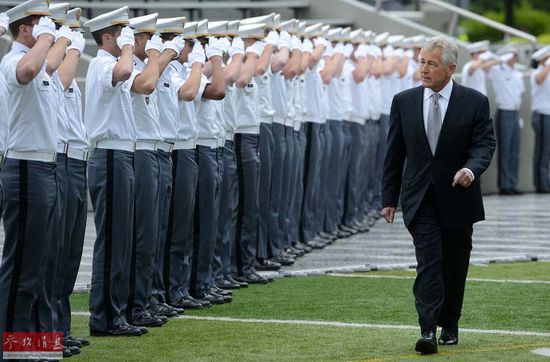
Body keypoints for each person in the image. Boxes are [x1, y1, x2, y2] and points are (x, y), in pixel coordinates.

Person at [381, 36, 496, 354]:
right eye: (421, 62)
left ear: (451, 68)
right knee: (428, 262)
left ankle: (450, 323)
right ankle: (427, 329)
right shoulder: (403, 101)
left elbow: (484, 144)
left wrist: (470, 170)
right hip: (419, 199)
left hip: (459, 198)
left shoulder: (474, 101)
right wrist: (388, 198)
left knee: (455, 265)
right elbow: (394, 153)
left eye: (432, 64)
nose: (424, 69)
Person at [488, 45, 524, 195]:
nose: (515, 58)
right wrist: (500, 59)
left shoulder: (517, 73)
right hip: (504, 111)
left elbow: (519, 95)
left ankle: (512, 183)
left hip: (515, 112)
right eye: (512, 55)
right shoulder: (497, 71)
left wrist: (520, 117)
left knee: (514, 150)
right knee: (505, 149)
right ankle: (504, 185)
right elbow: (486, 67)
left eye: (516, 55)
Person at [530, 45, 550, 193]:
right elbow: (539, 79)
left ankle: (543, 181)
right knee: (542, 149)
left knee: (545, 150)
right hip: (541, 114)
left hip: (547, 113)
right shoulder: (537, 73)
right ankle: (541, 183)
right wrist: (547, 66)